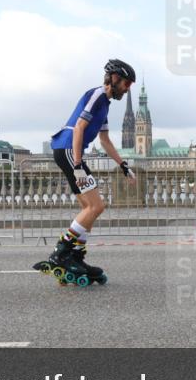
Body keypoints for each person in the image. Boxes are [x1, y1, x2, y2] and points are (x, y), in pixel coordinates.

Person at [35, 59, 138, 284]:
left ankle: (76, 256)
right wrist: (79, 165)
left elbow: (105, 140)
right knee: (97, 206)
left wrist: (123, 165)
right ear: (114, 79)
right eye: (126, 84)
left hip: (69, 151)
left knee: (88, 209)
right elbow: (80, 127)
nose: (127, 88)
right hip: (69, 149)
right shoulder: (97, 96)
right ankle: (61, 252)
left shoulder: (105, 105)